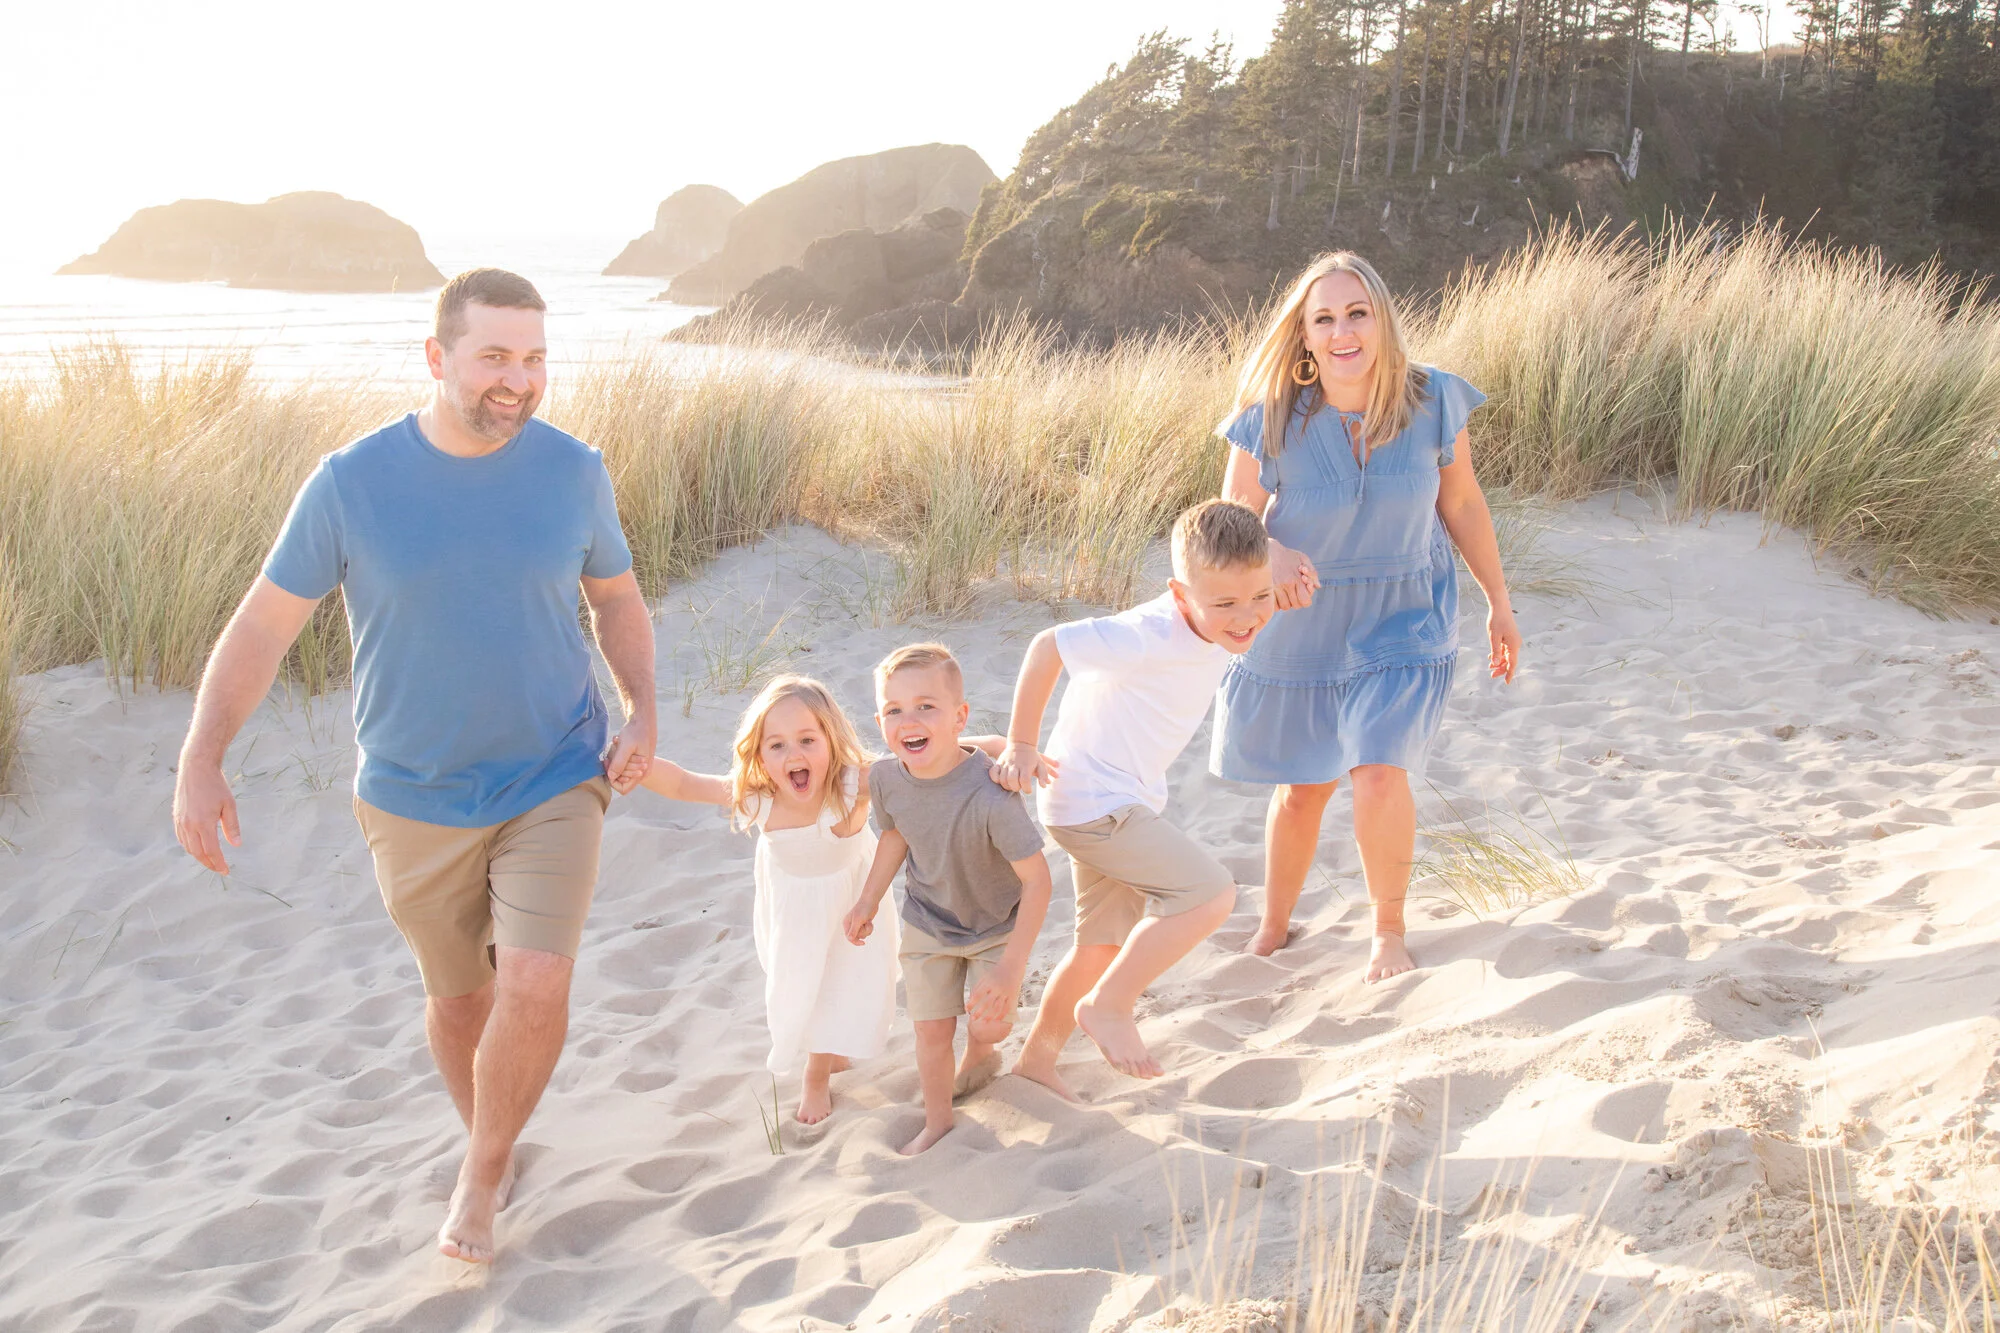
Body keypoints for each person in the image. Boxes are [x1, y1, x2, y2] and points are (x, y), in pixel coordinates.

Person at [170, 269, 657, 1265]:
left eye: (534, 358)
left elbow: (616, 598)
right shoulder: (350, 482)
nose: (518, 381)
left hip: (554, 769)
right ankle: (490, 1129)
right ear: (437, 359)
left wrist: (642, 707)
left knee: (533, 978)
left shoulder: (574, 472)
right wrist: (199, 758)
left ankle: (481, 1174)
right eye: (494, 358)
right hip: (411, 792)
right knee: (459, 1001)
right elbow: (263, 625)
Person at [1213, 251, 1519, 980]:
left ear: (1382, 318)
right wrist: (1273, 553)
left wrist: (1498, 601)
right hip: (1304, 618)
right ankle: (1275, 924)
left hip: (1405, 613)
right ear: (1306, 336)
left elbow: (1464, 504)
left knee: (1378, 773)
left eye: (1357, 313)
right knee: (1303, 790)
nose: (1343, 331)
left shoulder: (1433, 399)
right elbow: (1229, 522)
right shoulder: (1269, 419)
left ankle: (1388, 929)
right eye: (1325, 319)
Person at [992, 500, 1277, 1091]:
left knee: (1100, 946)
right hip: (1094, 803)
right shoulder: (1146, 634)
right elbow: (1047, 647)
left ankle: (1037, 1063)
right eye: (1225, 604)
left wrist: (1286, 585)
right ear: (1180, 593)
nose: (1246, 617)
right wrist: (1021, 743)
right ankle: (1110, 1007)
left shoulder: (1232, 611)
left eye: (1261, 597)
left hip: (1119, 801)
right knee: (1210, 895)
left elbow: (1253, 596)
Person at [629, 675, 896, 1126]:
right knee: (808, 983)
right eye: (776, 746)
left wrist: (1003, 746)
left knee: (845, 980)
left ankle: (823, 1063)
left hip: (853, 900)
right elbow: (682, 785)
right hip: (795, 910)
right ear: (759, 754)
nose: (794, 755)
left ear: (831, 738)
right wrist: (635, 762)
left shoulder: (855, 785)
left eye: (808, 739)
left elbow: (927, 762)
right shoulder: (761, 799)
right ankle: (820, 1063)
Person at [842, 644, 1053, 1156]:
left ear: (960, 717)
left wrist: (1009, 969)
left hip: (995, 927)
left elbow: (1039, 882)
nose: (908, 720)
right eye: (894, 710)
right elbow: (895, 837)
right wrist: (868, 899)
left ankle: (982, 1050)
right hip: (929, 922)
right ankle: (938, 1121)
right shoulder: (888, 779)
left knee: (991, 1022)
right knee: (930, 1034)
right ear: (880, 720)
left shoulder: (991, 795)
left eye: (926, 706)